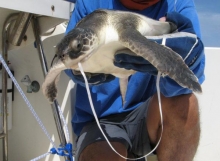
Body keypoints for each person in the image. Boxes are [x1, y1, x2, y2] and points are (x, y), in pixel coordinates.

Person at [64, 0, 205, 160]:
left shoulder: (176, 4)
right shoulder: (90, 3)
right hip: (100, 120)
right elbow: (67, 60)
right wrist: (85, 73)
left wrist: (188, 59)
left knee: (185, 103)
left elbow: (194, 73)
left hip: (148, 114)